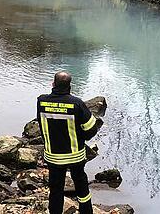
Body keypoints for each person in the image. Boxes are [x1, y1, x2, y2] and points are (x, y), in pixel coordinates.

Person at [37, 71, 101, 214]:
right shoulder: (76, 103)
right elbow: (91, 128)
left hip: (53, 156)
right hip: (75, 155)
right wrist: (81, 137)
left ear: (53, 84)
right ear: (69, 86)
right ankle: (86, 212)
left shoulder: (41, 101)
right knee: (81, 186)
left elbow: (41, 124)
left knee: (55, 189)